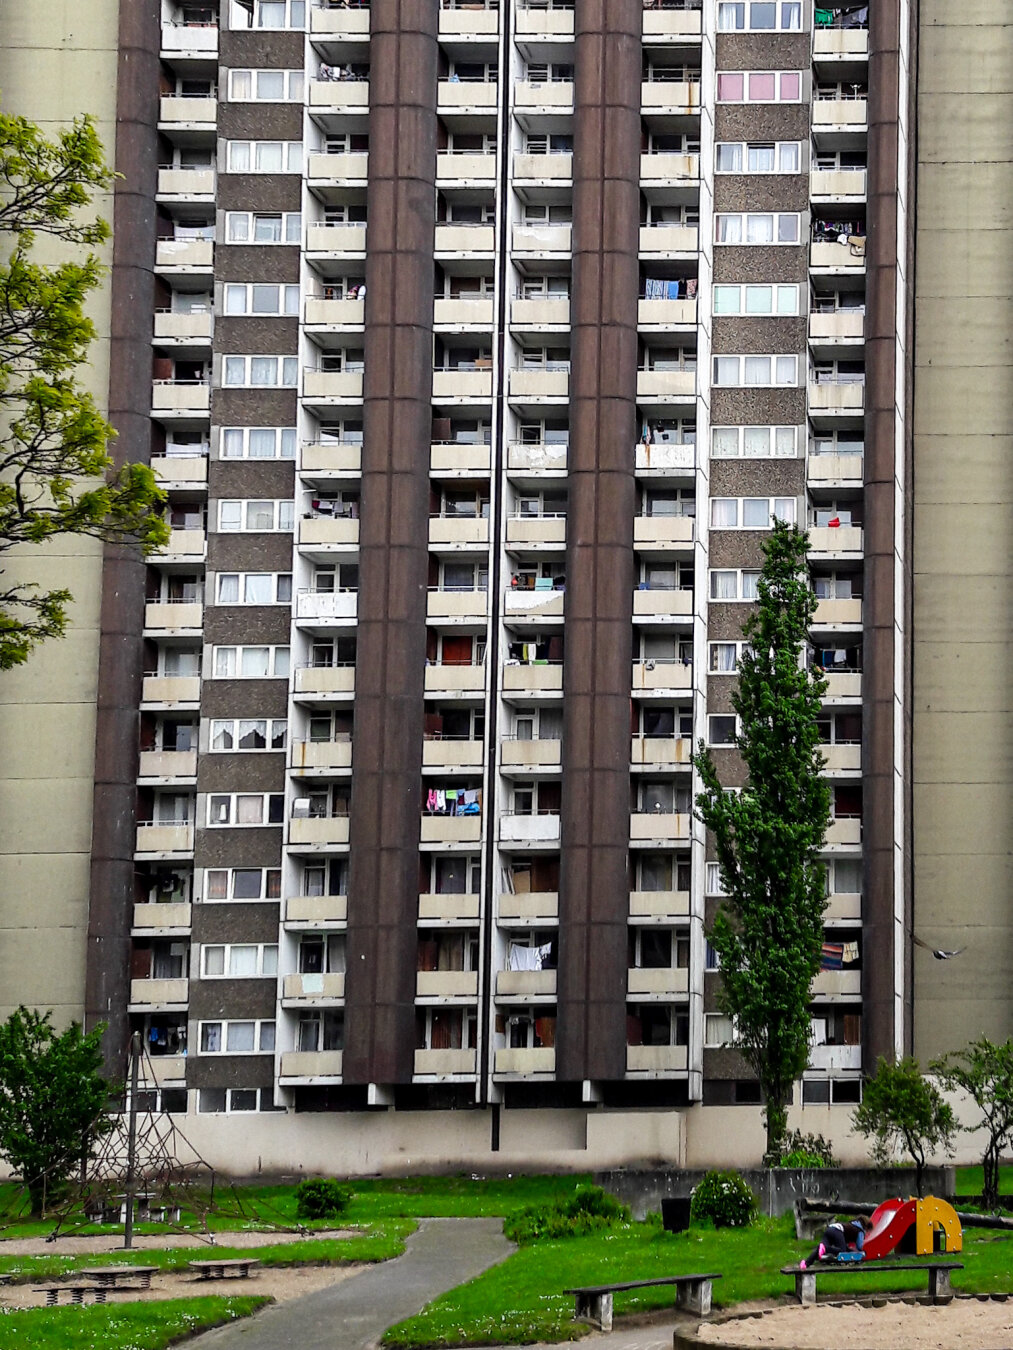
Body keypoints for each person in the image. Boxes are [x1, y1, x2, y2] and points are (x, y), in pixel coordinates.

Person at [799, 1215, 870, 1270]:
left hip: (830, 1229)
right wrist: (865, 1251)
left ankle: (806, 1263)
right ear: (865, 1226)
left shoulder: (852, 1224)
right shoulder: (860, 1231)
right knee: (842, 1251)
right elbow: (860, 1246)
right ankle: (826, 1248)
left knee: (820, 1249)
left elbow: (845, 1245)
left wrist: (850, 1250)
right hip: (837, 1231)